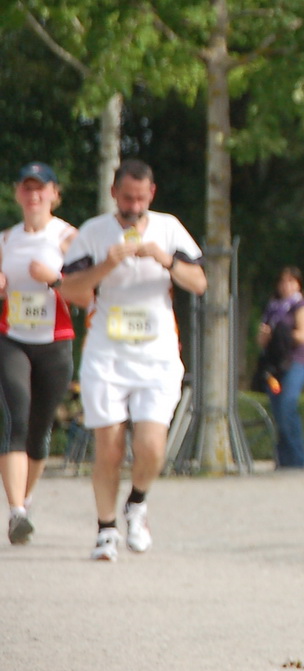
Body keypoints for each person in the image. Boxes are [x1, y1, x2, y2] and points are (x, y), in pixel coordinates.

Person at [60, 159, 206, 561]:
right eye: (127, 198)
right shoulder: (92, 232)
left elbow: (200, 282)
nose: (134, 206)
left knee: (152, 448)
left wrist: (165, 259)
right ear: (114, 193)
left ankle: (136, 504)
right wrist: (109, 263)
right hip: (106, 354)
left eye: (141, 199)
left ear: (151, 195)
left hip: (157, 356)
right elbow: (70, 290)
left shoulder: (169, 227)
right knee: (108, 446)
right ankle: (106, 529)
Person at [0, 162, 80, 544]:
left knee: (39, 430)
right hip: (10, 337)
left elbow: (87, 292)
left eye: (41, 189)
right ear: (18, 194)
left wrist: (56, 279)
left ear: (54, 194)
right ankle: (15, 512)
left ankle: (26, 500)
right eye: (27, 188)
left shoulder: (68, 238)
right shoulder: (5, 240)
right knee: (16, 416)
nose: (34, 195)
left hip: (55, 341)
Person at [256, 266, 304, 470]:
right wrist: (265, 336)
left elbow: (303, 336)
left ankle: (298, 459)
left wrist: (279, 334)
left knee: (288, 404)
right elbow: (261, 340)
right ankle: (284, 458)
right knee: (277, 407)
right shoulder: (273, 307)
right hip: (274, 364)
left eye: (290, 281)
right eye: (282, 282)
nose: (286, 286)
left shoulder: (301, 306)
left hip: (294, 361)